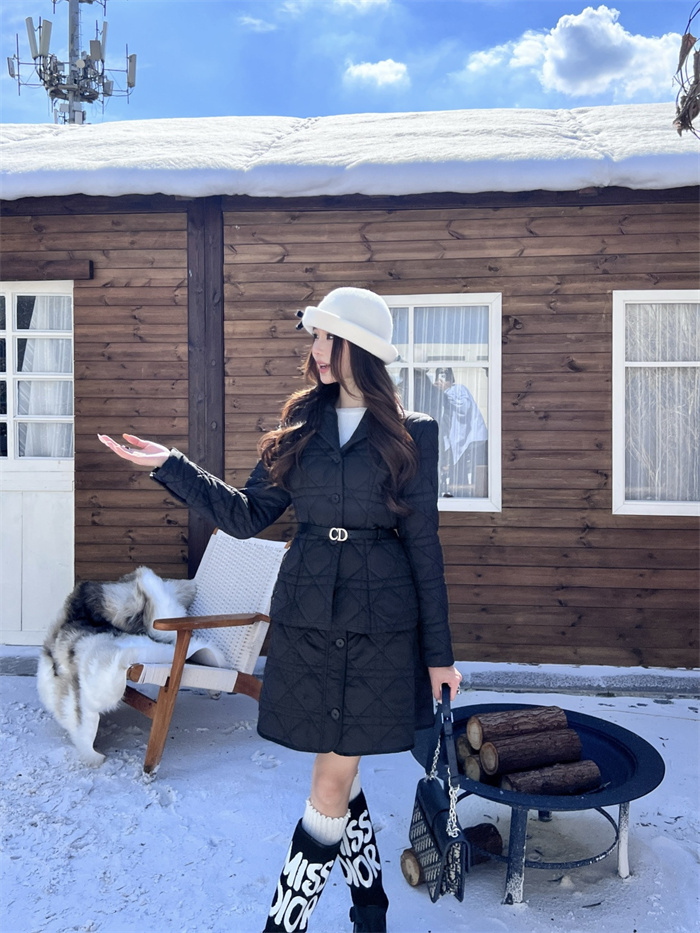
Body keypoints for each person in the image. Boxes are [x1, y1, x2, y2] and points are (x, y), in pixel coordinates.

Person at [98, 286, 462, 933]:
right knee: (340, 774)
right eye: (314, 337)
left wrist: (440, 655)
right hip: (308, 622)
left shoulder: (413, 434)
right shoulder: (301, 427)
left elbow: (425, 546)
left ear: (358, 347)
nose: (315, 349)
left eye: (326, 337)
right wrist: (172, 466)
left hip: (380, 631)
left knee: (328, 784)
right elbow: (246, 515)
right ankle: (371, 910)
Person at [434, 367, 488, 497]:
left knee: (472, 473)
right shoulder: (437, 394)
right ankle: (457, 497)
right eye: (440, 376)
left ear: (451, 378)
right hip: (456, 440)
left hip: (472, 438)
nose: (442, 380)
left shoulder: (458, 389)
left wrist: (447, 390)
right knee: (456, 472)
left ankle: (473, 499)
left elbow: (463, 408)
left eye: (445, 376)